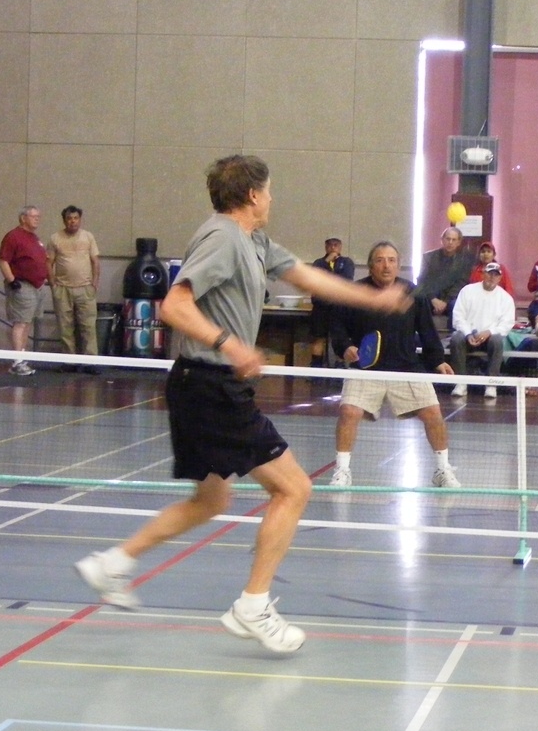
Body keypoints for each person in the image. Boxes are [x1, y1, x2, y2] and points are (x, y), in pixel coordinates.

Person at [74, 155, 409, 653]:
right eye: (269, 191)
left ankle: (112, 565)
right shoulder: (223, 238)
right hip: (210, 384)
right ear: (253, 195)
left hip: (200, 385)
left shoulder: (255, 241)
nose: (273, 198)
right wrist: (230, 343)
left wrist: (372, 300)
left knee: (211, 500)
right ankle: (253, 604)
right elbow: (174, 304)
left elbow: (305, 277)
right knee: (294, 489)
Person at [329, 241, 462, 488]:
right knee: (349, 412)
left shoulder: (413, 294)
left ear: (399, 265)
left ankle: (443, 470)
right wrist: (345, 347)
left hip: (406, 367)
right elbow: (337, 328)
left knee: (433, 414)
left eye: (391, 260)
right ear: (370, 266)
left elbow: (427, 330)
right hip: (366, 369)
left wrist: (438, 361)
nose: (386, 265)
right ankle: (342, 470)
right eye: (379, 260)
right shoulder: (357, 293)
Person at [47, 205, 101, 372]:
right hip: (62, 289)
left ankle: (91, 362)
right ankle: (69, 361)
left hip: (85, 288)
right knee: (65, 327)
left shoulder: (88, 237)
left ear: (80, 219)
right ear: (64, 221)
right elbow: (48, 263)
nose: (73, 221)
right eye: (69, 219)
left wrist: (94, 284)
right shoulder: (55, 238)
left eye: (76, 218)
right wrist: (53, 284)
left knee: (88, 326)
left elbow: (95, 261)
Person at [450, 262, 515, 400]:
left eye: (495, 275)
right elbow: (458, 317)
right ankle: (461, 383)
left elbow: (507, 324)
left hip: (489, 338)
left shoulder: (506, 298)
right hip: (469, 335)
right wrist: (467, 333)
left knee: (497, 340)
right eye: (489, 273)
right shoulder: (467, 291)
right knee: (456, 338)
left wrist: (489, 332)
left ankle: (491, 384)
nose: (492, 277)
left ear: (499, 278)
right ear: (483, 274)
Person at [0, 205, 50, 376]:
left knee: (27, 322)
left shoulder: (34, 238)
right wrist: (12, 281)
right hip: (22, 285)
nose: (37, 219)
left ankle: (22, 355)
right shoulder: (13, 237)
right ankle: (17, 361)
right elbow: (3, 260)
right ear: (23, 218)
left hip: (37, 286)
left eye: (38, 216)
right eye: (33, 216)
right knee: (20, 322)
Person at [308, 237, 356, 362]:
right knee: (318, 339)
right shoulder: (319, 263)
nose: (333, 248)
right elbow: (315, 279)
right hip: (321, 307)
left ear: (340, 247)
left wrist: (327, 278)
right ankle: (316, 369)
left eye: (336, 245)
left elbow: (346, 280)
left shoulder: (347, 262)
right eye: (330, 245)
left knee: (340, 338)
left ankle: (339, 368)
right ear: (326, 247)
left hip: (339, 307)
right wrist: (326, 263)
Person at [415, 226, 475, 323]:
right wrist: (433, 299)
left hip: (451, 298)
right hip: (431, 296)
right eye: (448, 239)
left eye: (454, 240)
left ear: (458, 242)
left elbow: (461, 283)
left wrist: (445, 302)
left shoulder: (464, 261)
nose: (450, 242)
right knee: (419, 301)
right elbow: (422, 279)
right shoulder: (428, 257)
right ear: (442, 240)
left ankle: (453, 335)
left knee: (458, 305)